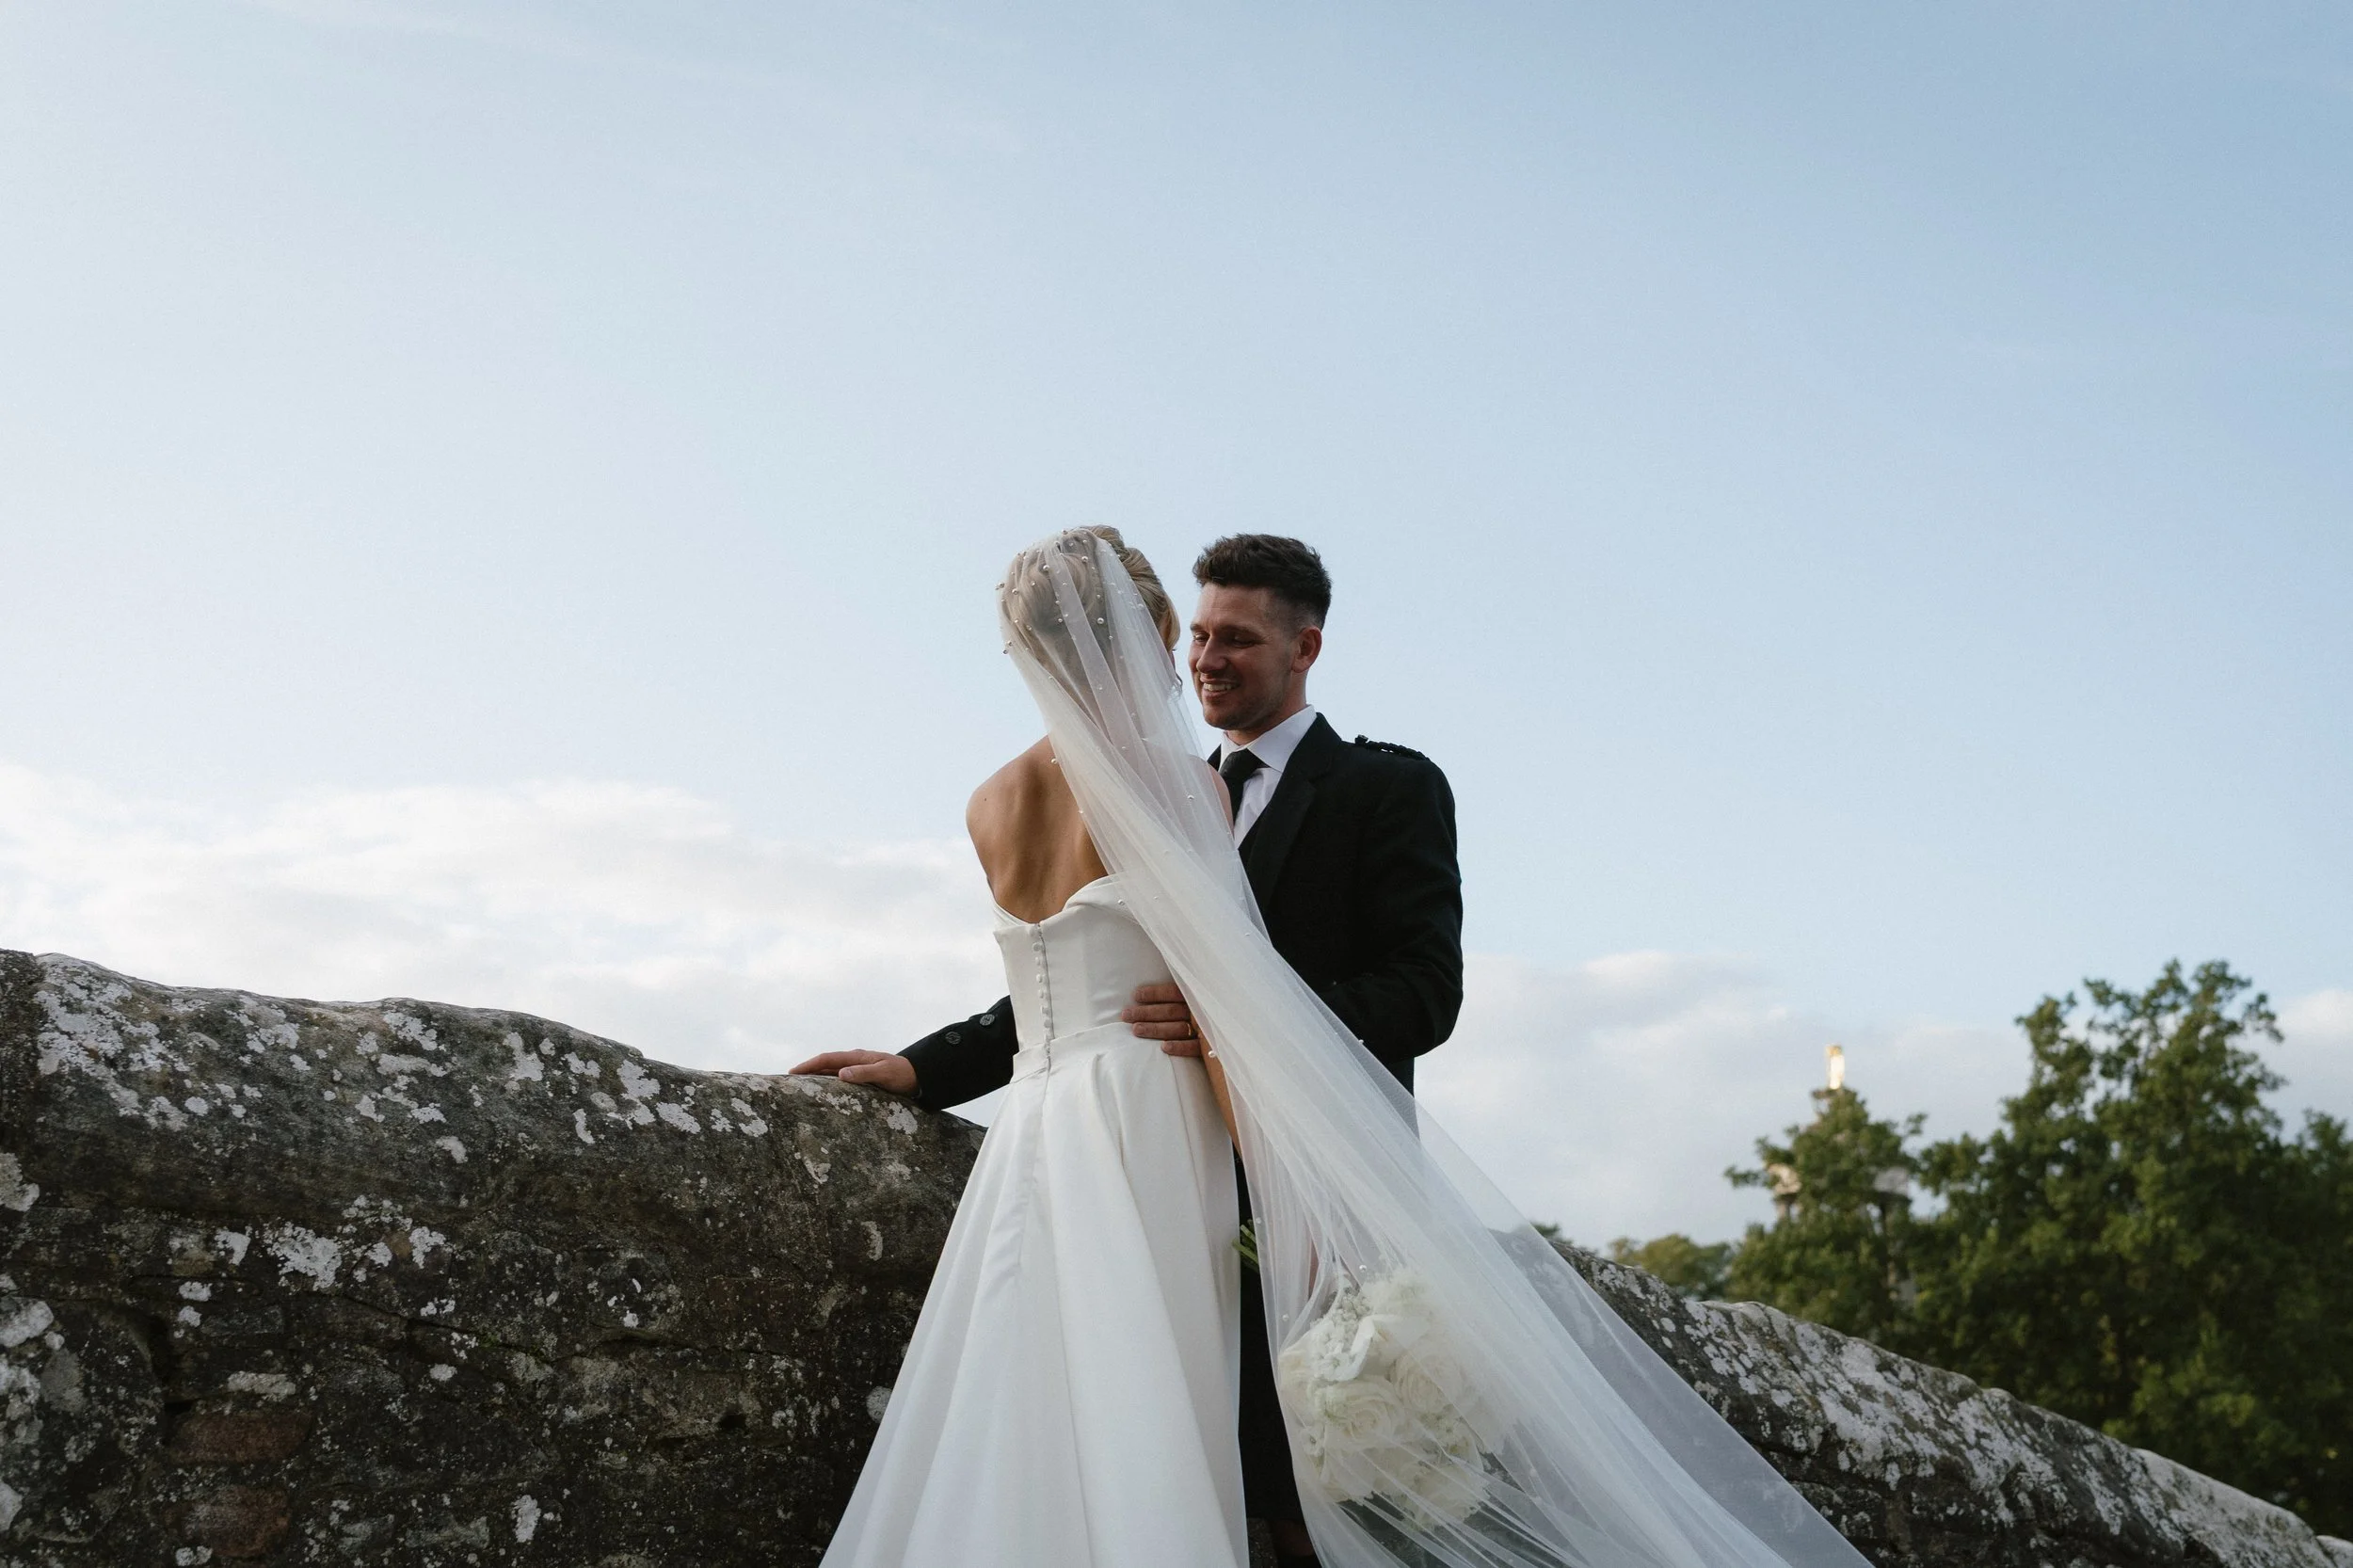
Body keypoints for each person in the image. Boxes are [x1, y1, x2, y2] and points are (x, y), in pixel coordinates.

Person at [796, 533, 1464, 1564]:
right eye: (1194, 632)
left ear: (1305, 647)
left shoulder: (1388, 786)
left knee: (1311, 1516)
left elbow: (1424, 995)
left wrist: (1246, 1020)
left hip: (1303, 1191)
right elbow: (1076, 978)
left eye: (1234, 638)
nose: (1202, 656)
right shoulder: (1166, 786)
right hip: (1155, 1156)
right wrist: (923, 1066)